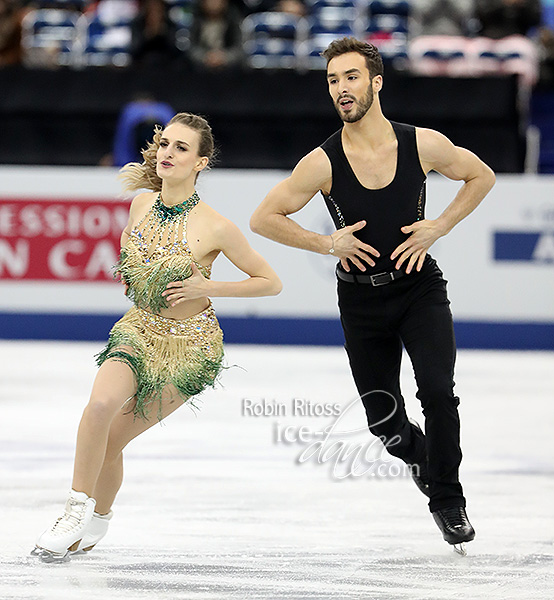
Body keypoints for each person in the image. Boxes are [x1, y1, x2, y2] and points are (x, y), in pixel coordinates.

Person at [250, 37, 495, 553]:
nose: (341, 89)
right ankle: (425, 461)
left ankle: (448, 503)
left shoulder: (421, 144)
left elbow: (481, 175)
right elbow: (263, 218)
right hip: (360, 302)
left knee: (437, 392)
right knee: (385, 424)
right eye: (333, 80)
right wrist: (325, 242)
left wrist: (440, 226)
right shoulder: (322, 162)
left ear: (376, 82)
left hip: (419, 288)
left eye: (351, 77)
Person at [32, 112, 282, 562]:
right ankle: (73, 512)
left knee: (112, 440)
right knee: (99, 409)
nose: (167, 153)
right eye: (165, 144)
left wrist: (208, 286)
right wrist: (134, 273)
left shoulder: (217, 226)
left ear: (201, 163)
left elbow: (269, 281)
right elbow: (131, 242)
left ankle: (99, 520)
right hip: (138, 328)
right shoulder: (141, 203)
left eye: (181, 148)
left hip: (190, 347)